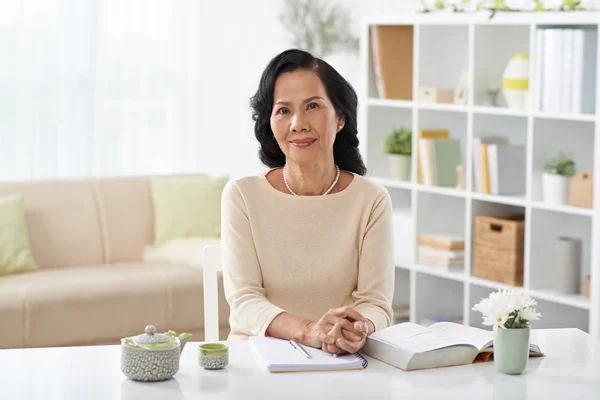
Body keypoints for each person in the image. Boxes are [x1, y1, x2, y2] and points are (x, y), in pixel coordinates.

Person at [220, 48, 395, 355]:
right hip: (256, 362)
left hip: (341, 361)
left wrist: (358, 326)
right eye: (283, 110)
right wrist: (309, 331)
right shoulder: (242, 196)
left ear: (340, 118)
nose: (297, 123)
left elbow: (376, 303)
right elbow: (245, 300)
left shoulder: (371, 200)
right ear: (271, 124)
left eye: (312, 106)